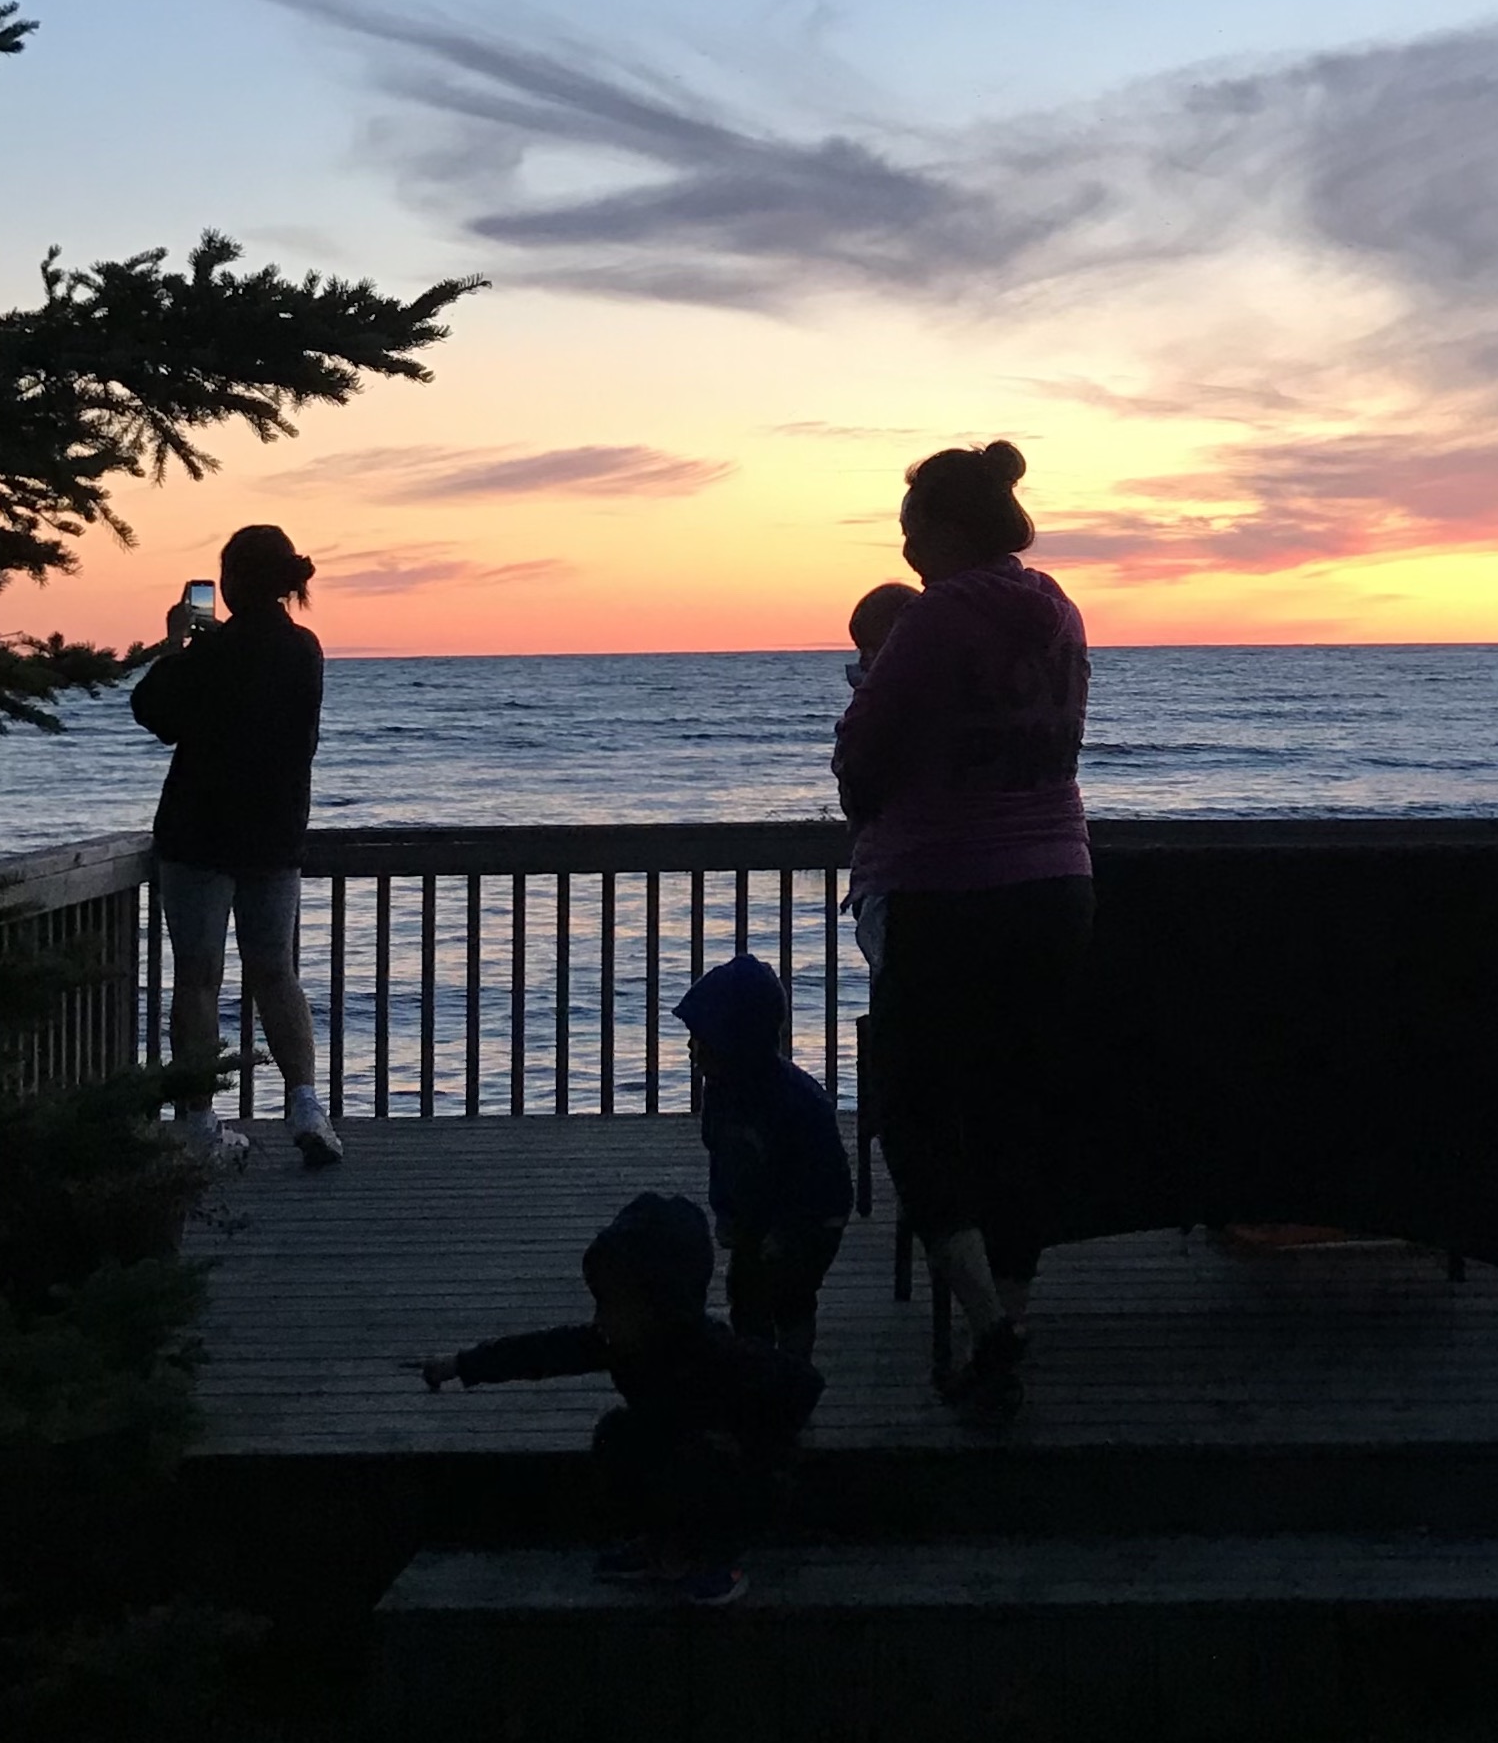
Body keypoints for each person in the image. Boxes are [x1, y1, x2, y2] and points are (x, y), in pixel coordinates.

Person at [832, 440, 1091, 1425]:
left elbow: (864, 765)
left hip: (946, 895)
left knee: (914, 1115)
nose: (905, 549)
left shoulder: (935, 619)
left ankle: (991, 1326)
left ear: (945, 528)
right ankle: (1009, 1317)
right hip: (1057, 887)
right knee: (1017, 1113)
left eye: (911, 530)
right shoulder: (1059, 608)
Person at [418, 1191, 822, 1606]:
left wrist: (757, 1450)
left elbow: (803, 1383)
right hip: (677, 1449)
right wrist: (462, 1365)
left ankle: (716, 1560)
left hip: (731, 1476)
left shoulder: (713, 1352)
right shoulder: (619, 1343)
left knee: (700, 1463)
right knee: (618, 1436)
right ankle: (662, 1545)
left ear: (662, 1306)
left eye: (612, 1306)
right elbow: (543, 1353)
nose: (600, 1319)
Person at [129, 523, 342, 1172]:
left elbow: (151, 711)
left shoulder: (208, 656)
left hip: (197, 836)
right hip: (274, 837)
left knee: (197, 980)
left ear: (228, 584)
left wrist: (175, 644)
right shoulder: (303, 650)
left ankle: (198, 1123)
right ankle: (305, 1104)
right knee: (275, 972)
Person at [672, 955, 854, 1359]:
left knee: (792, 1295)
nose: (691, 1047)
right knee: (746, 1291)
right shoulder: (721, 1094)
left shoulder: (796, 1103)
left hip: (810, 1220)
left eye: (700, 1038)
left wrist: (789, 1231)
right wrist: (727, 1214)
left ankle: (792, 1371)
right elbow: (722, 1161)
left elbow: (822, 1182)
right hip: (757, 1213)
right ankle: (755, 1369)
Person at [837, 580, 919, 972]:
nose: (864, 661)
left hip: (901, 884)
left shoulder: (886, 709)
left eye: (871, 649)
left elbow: (857, 785)